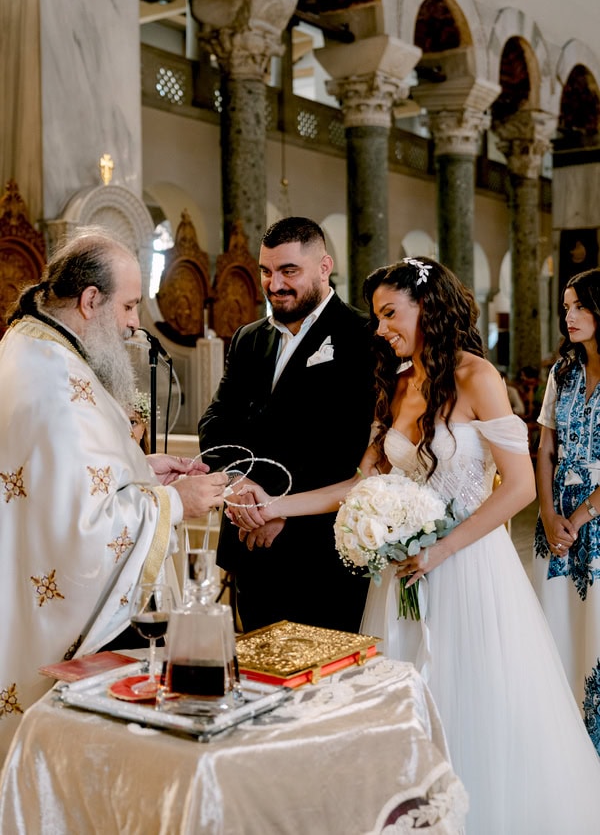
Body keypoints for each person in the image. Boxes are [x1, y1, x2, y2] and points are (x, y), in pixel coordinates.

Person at [234, 257, 600, 834]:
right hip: (402, 574)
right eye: (377, 316)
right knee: (404, 706)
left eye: (389, 314)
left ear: (426, 307)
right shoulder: (398, 382)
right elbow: (362, 484)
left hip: (470, 570)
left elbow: (522, 486)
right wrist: (277, 506)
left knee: (473, 703)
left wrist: (443, 549)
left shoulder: (478, 377)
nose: (380, 329)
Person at [0, 229, 227, 764]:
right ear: (89, 301)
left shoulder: (35, 349)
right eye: (128, 306)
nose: (134, 324)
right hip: (70, 617)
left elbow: (65, 479)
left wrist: (142, 467)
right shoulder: (52, 376)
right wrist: (176, 503)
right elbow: (81, 527)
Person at [198, 216, 374, 633]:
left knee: (324, 688)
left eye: (288, 271)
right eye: (266, 271)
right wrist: (242, 487)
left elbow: (346, 446)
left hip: (321, 553)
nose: (274, 284)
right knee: (259, 683)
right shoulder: (248, 338)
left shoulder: (363, 337)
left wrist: (279, 510)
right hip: (248, 545)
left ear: (324, 267)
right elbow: (216, 422)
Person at [533, 268, 600, 752]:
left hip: (592, 521)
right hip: (556, 520)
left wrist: (579, 518)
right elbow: (544, 448)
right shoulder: (564, 371)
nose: (569, 317)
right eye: (565, 307)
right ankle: (562, 740)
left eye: (579, 306)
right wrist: (545, 512)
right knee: (557, 627)